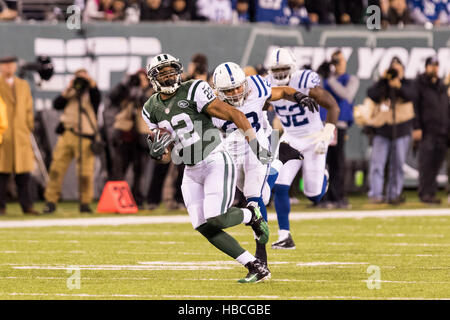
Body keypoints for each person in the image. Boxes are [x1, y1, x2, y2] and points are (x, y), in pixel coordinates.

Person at [142, 53, 278, 283]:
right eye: (163, 75)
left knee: (215, 217)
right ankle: (254, 266)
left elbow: (234, 114)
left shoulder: (194, 89)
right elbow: (168, 154)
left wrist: (255, 145)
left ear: (179, 71)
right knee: (202, 225)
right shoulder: (150, 109)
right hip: (190, 168)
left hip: (215, 158)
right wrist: (159, 154)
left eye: (171, 72)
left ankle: (251, 214)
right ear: (153, 79)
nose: (169, 78)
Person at [212, 61, 318, 265]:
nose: (235, 92)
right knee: (262, 195)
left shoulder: (255, 87)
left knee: (254, 199)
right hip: (232, 149)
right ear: (218, 91)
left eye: (238, 87)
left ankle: (261, 254)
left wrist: (300, 96)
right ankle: (281, 159)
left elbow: (284, 91)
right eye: (229, 89)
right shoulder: (209, 104)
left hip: (258, 141)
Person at [266, 48, 340, 249]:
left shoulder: (304, 81)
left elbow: (333, 106)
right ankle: (284, 235)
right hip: (291, 138)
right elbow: (261, 106)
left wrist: (326, 135)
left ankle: (323, 175)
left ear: (293, 68)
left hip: (314, 138)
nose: (280, 73)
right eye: (276, 69)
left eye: (284, 68)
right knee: (280, 185)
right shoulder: (267, 84)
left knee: (313, 195)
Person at [43, 69, 102, 214]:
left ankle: (85, 202)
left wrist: (91, 83)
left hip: (85, 137)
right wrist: (70, 88)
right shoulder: (70, 93)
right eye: (78, 78)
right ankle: (50, 201)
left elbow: (97, 98)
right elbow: (57, 104)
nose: (81, 81)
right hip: (67, 135)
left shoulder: (92, 94)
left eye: (84, 78)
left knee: (85, 173)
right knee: (56, 169)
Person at [364, 57, 416, 204]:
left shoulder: (408, 83)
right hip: (382, 130)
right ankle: (376, 194)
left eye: (397, 69)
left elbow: (411, 95)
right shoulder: (383, 84)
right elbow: (371, 94)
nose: (394, 72)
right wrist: (383, 80)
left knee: (398, 165)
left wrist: (398, 85)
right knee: (377, 165)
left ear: (403, 71)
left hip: (401, 130)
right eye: (392, 69)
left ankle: (394, 194)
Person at [319, 49, 359, 209]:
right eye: (334, 61)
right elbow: (318, 93)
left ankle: (338, 196)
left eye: (339, 61)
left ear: (345, 62)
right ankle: (322, 196)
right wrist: (320, 76)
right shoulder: (327, 79)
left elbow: (346, 95)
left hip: (339, 125)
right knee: (322, 161)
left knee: (337, 161)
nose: (337, 64)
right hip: (323, 123)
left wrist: (330, 79)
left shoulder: (350, 79)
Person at [0, 56, 39, 215]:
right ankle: (0, 206)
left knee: (24, 174)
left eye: (11, 64)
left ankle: (27, 205)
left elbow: (29, 108)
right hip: (3, 134)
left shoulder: (23, 85)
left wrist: (28, 126)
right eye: (5, 65)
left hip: (21, 134)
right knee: (2, 174)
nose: (9, 67)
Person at [109, 69, 153, 208]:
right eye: (138, 78)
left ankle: (138, 201)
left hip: (142, 135)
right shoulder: (126, 90)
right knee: (119, 171)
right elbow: (113, 98)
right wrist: (125, 84)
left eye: (143, 78)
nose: (139, 81)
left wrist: (142, 91)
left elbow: (148, 103)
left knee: (140, 172)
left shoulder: (152, 92)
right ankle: (117, 201)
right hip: (125, 135)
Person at [413, 56, 449, 204]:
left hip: (442, 131)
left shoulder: (441, 86)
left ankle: (431, 193)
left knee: (436, 164)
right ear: (426, 67)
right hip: (427, 131)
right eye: (431, 65)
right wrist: (417, 127)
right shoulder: (419, 84)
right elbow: (415, 107)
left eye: (436, 65)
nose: (434, 68)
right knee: (426, 164)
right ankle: (425, 193)